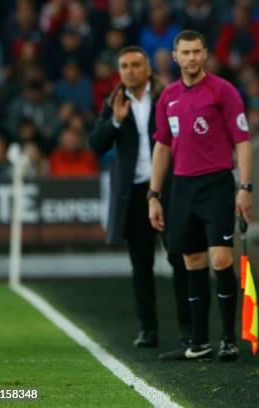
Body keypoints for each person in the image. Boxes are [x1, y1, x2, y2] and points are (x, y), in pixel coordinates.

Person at [149, 30, 252, 362]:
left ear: (205, 54)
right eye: (185, 52)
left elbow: (243, 140)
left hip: (216, 185)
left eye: (197, 51)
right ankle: (198, 341)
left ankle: (228, 339)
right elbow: (162, 146)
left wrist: (245, 187)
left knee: (221, 259)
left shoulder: (223, 91)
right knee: (192, 261)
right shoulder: (168, 97)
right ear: (175, 57)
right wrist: (153, 194)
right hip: (181, 187)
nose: (191, 58)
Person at [89, 46, 191, 349]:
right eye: (124, 66)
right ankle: (148, 330)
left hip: (169, 189)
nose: (130, 70)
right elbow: (95, 143)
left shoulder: (168, 96)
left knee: (179, 258)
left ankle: (189, 330)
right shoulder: (115, 102)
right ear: (119, 71)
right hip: (134, 194)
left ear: (147, 69)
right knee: (141, 264)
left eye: (136, 64)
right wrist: (116, 121)